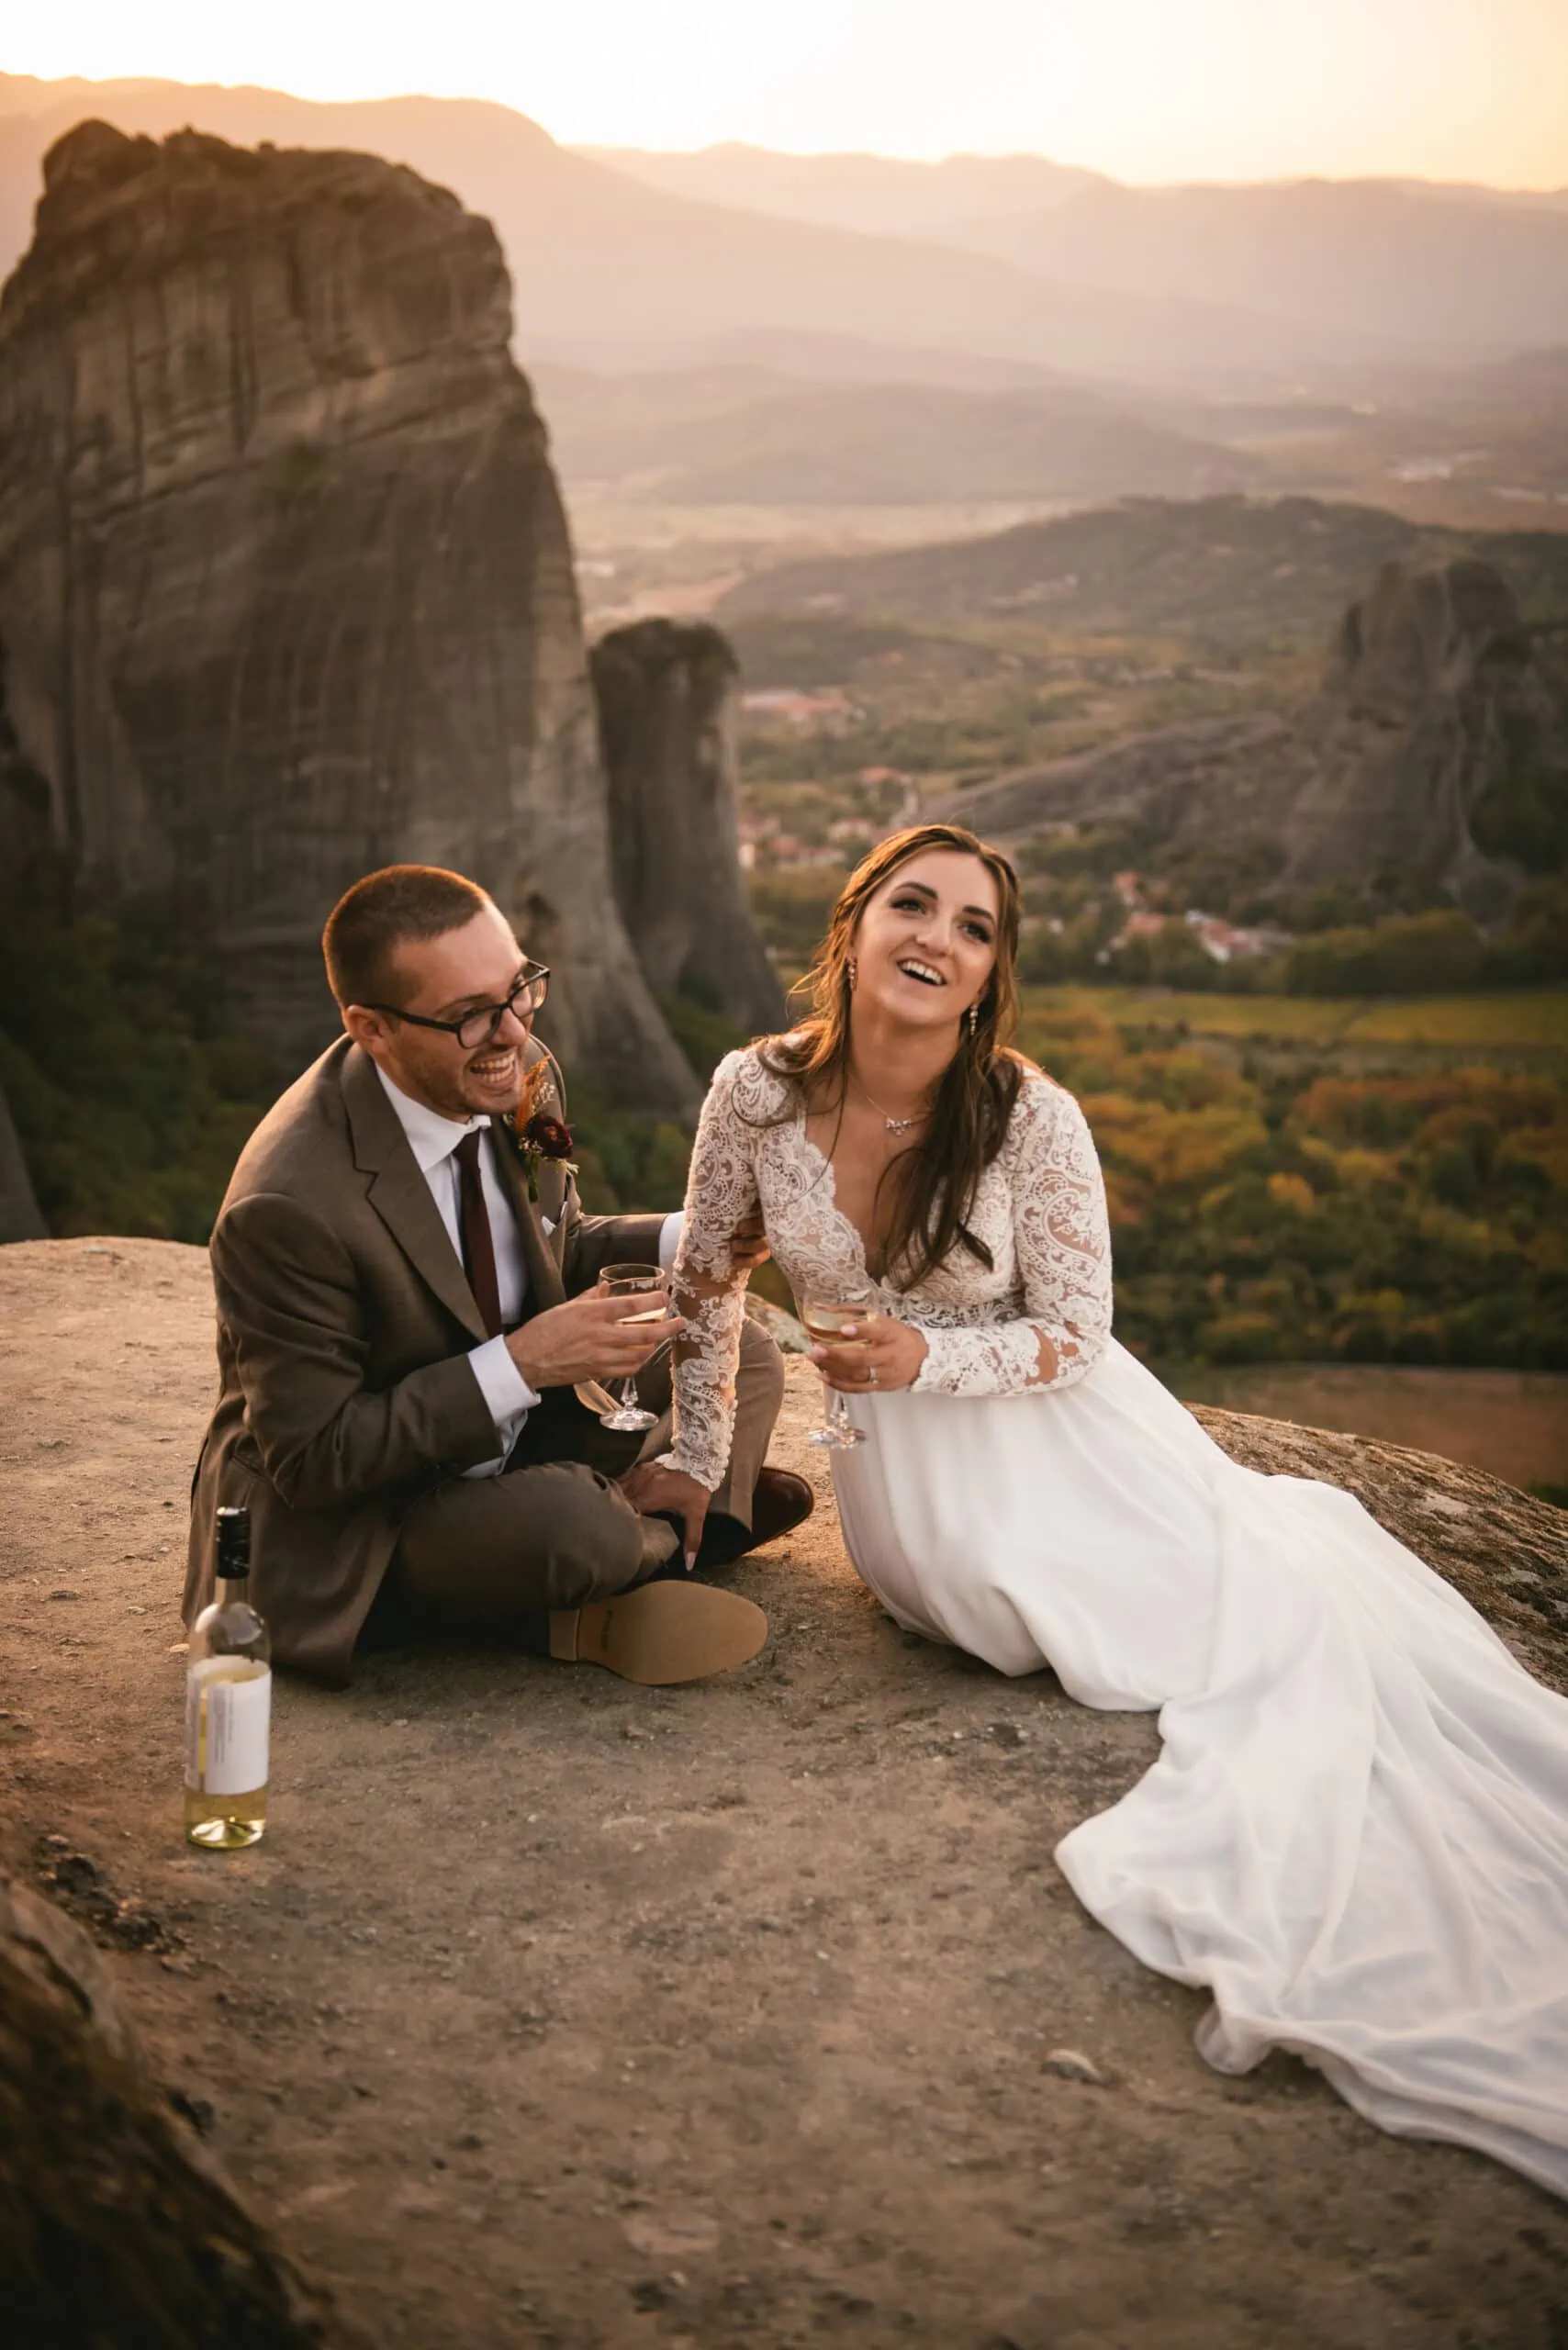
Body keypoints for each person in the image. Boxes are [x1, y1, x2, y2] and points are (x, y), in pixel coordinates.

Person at [662, 821, 1568, 2197]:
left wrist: (924, 1357)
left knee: (1251, 1629)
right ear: (852, 928)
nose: (938, 939)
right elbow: (705, 1282)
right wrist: (694, 1469)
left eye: (974, 929)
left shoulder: (1031, 1113)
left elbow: (1079, 1335)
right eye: (914, 904)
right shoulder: (755, 1091)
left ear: (987, 979)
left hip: (1065, 1440)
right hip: (900, 1486)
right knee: (974, 1599)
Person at [185, 864, 812, 1688]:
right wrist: (525, 1364)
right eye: (469, 1016)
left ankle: (662, 1534)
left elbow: (553, 1243)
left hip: (510, 1443)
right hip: (375, 1514)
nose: (512, 1031)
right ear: (371, 1029)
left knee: (744, 1352)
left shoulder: (509, 1071)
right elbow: (316, 1462)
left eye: (519, 990)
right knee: (573, 1523)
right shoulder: (288, 1206)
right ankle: (628, 1548)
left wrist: (693, 1237)